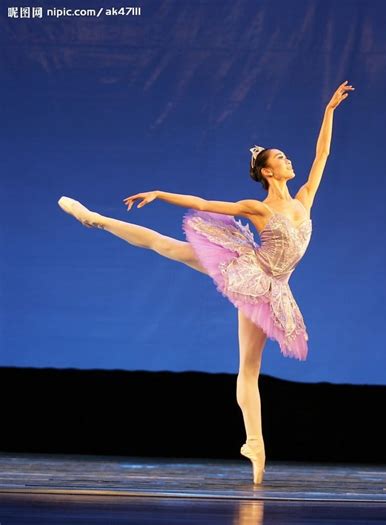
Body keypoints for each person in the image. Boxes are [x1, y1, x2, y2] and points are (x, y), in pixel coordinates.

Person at [58, 80, 354, 484]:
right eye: (281, 158)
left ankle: (254, 445)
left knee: (249, 369)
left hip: (274, 288)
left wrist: (329, 110)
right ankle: (95, 218)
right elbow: (204, 204)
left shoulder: (304, 198)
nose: (289, 160)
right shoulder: (259, 208)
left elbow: (323, 153)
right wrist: (161, 193)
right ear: (268, 171)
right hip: (247, 270)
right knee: (165, 246)